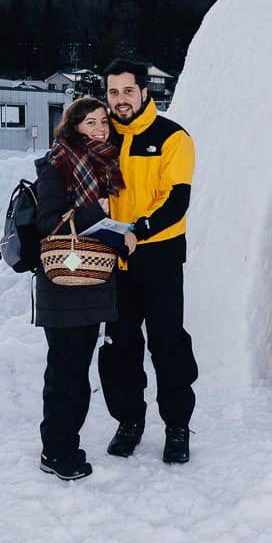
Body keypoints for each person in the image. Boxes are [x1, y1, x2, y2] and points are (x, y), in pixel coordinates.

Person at [98, 58, 199, 464]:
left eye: (127, 91)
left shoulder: (173, 137)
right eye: (112, 92)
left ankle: (177, 426)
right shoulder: (101, 137)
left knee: (167, 344)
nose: (120, 100)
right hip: (115, 262)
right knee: (120, 348)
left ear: (144, 91)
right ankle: (129, 421)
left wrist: (137, 230)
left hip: (158, 258)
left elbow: (177, 200)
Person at [35, 97, 127, 480]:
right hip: (63, 285)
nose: (100, 129)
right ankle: (56, 451)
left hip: (90, 284)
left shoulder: (102, 166)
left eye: (103, 122)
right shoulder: (57, 165)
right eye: (90, 122)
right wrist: (98, 211)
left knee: (76, 372)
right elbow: (49, 225)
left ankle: (66, 443)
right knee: (65, 372)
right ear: (72, 126)